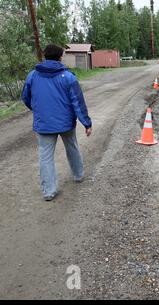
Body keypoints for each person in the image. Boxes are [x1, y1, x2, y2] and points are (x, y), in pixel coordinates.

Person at [22, 44, 92, 201]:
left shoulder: (33, 75)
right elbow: (78, 103)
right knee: (72, 147)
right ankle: (78, 175)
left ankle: (48, 192)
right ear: (60, 57)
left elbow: (26, 97)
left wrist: (38, 110)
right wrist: (86, 123)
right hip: (66, 122)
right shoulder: (68, 77)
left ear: (45, 56)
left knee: (45, 156)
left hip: (44, 124)